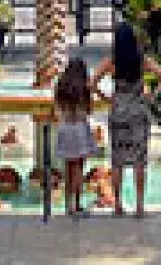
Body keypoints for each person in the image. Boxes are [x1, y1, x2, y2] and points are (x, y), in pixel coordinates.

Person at [91, 22, 161, 218]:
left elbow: (91, 83)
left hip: (118, 112)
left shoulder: (112, 62)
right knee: (139, 161)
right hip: (138, 112)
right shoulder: (142, 61)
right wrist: (151, 95)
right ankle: (140, 205)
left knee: (117, 161)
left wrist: (106, 98)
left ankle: (117, 205)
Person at [54, 57, 95, 217]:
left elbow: (56, 108)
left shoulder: (60, 87)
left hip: (65, 127)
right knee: (79, 167)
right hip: (79, 127)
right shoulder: (84, 88)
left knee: (67, 167)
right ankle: (77, 205)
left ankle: (67, 206)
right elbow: (89, 110)